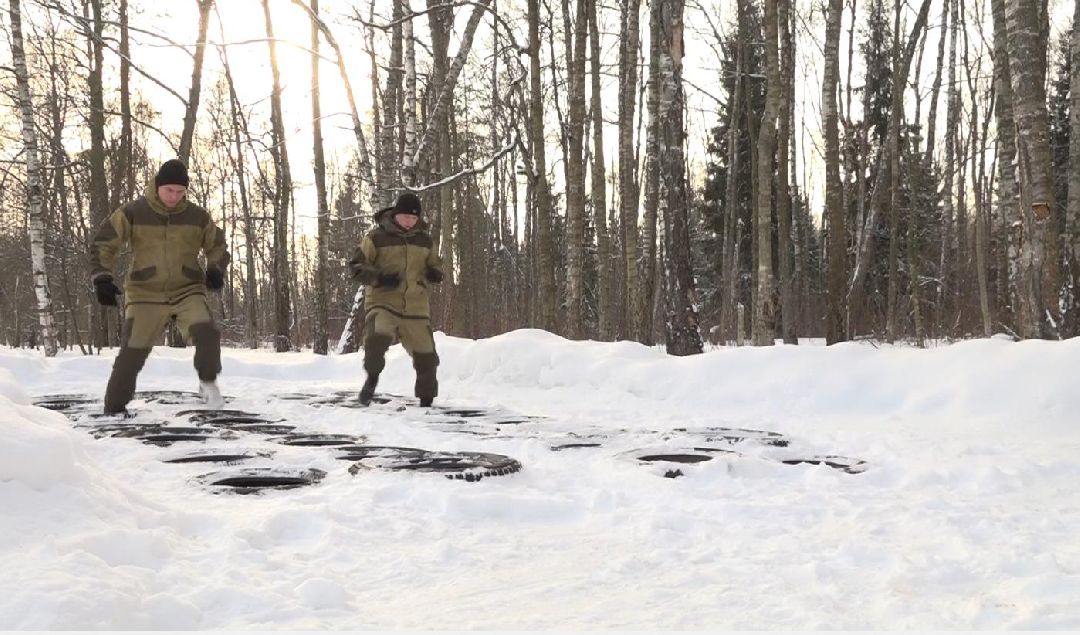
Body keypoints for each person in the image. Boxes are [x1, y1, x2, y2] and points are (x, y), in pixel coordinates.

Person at [89, 159, 231, 415]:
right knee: (132, 353)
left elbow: (217, 245)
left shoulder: (198, 216)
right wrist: (102, 278)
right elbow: (104, 243)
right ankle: (114, 408)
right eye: (169, 190)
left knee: (207, 333)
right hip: (145, 292)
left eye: (180, 191)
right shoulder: (133, 212)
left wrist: (216, 269)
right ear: (157, 186)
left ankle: (207, 382)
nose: (174, 196)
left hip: (187, 289)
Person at [348, 192, 444, 406]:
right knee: (377, 340)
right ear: (395, 215)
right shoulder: (375, 238)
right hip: (383, 302)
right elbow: (356, 266)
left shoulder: (425, 241)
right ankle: (372, 378)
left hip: (416, 306)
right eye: (406, 217)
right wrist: (379, 278)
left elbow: (435, 264)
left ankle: (426, 401)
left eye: (414, 218)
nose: (410, 221)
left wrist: (435, 273)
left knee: (427, 357)